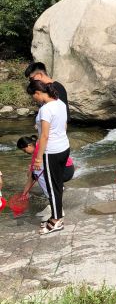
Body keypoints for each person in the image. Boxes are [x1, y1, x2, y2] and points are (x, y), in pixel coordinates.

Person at [26, 79, 70, 235]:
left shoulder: (45, 109)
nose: (34, 100)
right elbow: (64, 126)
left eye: (34, 97)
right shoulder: (60, 103)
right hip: (64, 148)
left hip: (51, 152)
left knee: (52, 188)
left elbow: (44, 136)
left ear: (38, 93)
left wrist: (38, 158)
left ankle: (57, 220)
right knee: (57, 185)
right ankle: (55, 216)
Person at [17, 135, 75, 219]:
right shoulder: (39, 145)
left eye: (24, 150)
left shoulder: (38, 151)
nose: (25, 152)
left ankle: (55, 206)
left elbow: (33, 176)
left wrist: (24, 193)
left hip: (65, 172)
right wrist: (24, 193)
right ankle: (54, 199)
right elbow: (30, 175)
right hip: (67, 169)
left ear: (29, 145)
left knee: (36, 171)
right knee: (33, 171)